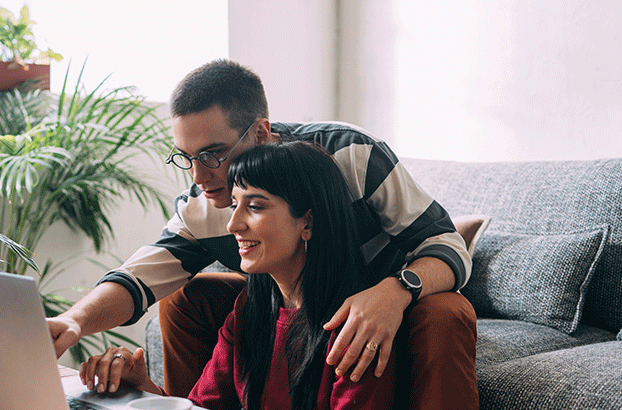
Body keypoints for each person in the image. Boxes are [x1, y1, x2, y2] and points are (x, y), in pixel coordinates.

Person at [48, 59, 479, 409]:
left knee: (446, 312)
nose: (199, 176)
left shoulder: (351, 155)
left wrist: (393, 292)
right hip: (291, 293)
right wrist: (74, 321)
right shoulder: (207, 199)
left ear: (259, 131)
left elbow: (447, 245)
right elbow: (142, 276)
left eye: (214, 153)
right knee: (186, 297)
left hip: (382, 296)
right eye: (187, 157)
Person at [80, 141, 397, 409]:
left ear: (308, 222)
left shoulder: (357, 329)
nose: (233, 225)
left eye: (255, 207)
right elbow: (202, 407)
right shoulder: (251, 308)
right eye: (234, 205)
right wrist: (140, 386)